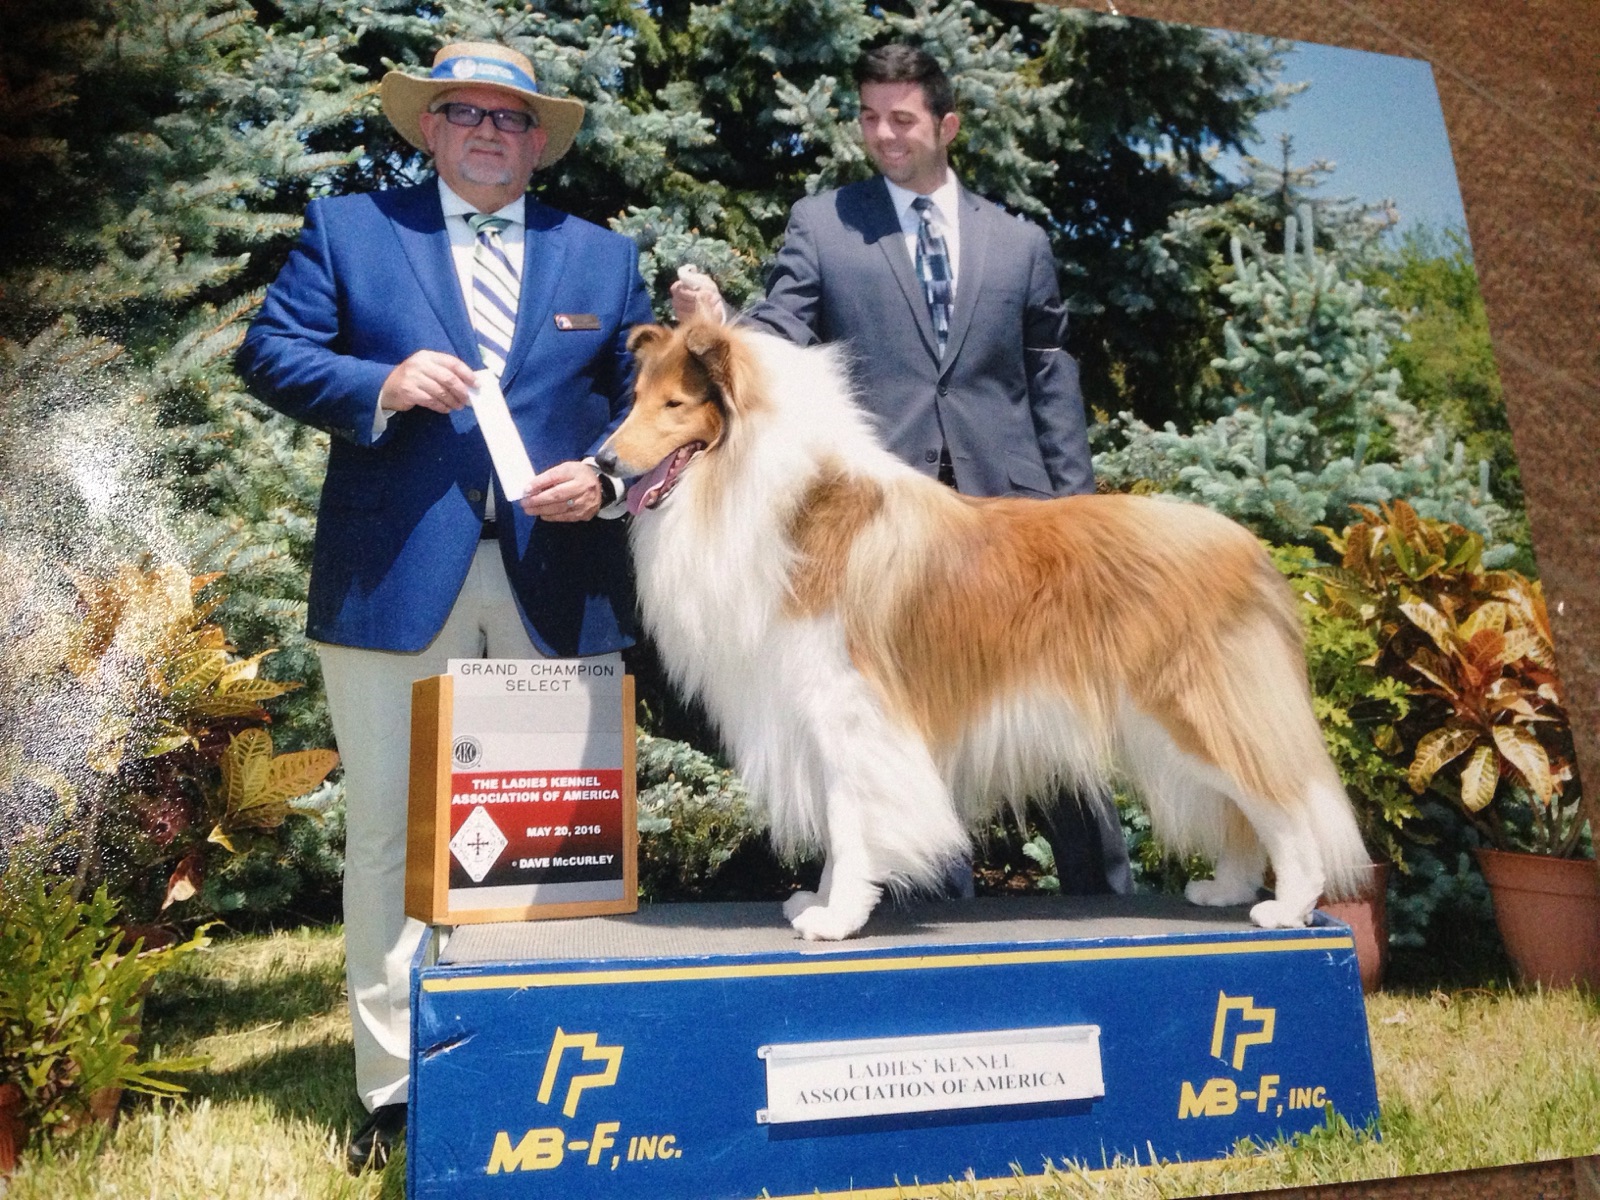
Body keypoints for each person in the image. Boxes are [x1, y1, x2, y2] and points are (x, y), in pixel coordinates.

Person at [236, 41, 651, 1171]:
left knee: (555, 837)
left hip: (557, 582)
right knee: (387, 839)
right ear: (428, 129)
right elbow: (268, 353)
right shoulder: (351, 231)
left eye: (509, 118)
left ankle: (547, 1069)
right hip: (391, 581)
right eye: (462, 111)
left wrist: (611, 480)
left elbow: (646, 401)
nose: (484, 130)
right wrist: (375, 385)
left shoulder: (604, 259)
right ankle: (395, 1095)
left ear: (538, 141)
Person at [672, 43, 1131, 897]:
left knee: (1066, 726)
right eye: (870, 117)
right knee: (899, 719)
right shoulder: (826, 223)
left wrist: (1079, 518)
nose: (883, 134)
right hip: (886, 530)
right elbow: (781, 327)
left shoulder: (1019, 241)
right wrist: (721, 325)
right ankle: (929, 920)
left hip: (1013, 524)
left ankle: (1105, 904)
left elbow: (1049, 382)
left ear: (947, 124)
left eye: (903, 118)